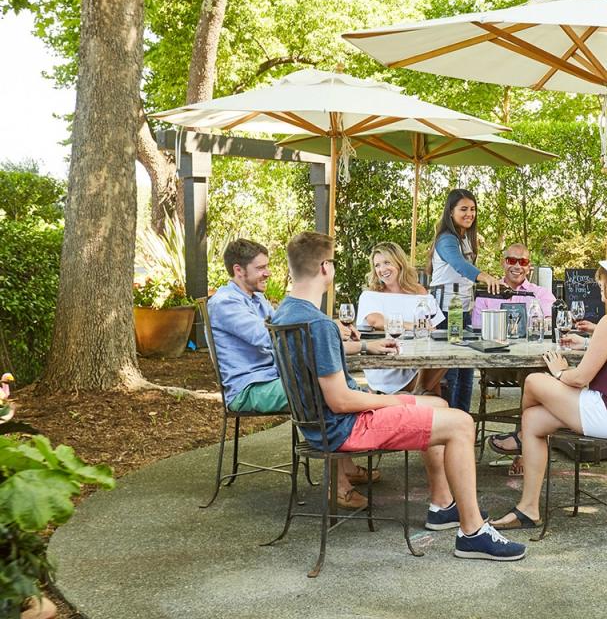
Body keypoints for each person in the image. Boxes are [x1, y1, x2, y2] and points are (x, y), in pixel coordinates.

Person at [272, 231, 525, 560]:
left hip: (319, 424)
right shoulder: (318, 324)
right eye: (331, 263)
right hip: (343, 426)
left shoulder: (288, 314)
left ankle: (441, 505)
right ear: (324, 268)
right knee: (461, 422)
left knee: (435, 402)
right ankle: (473, 531)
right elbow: (342, 401)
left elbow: (325, 362)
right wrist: (395, 400)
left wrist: (364, 345)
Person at [208, 238, 395, 509]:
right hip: (250, 387)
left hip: (273, 378)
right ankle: (338, 485)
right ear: (239, 270)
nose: (268, 272)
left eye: (267, 266)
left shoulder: (258, 300)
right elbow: (273, 337)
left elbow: (299, 339)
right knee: (322, 389)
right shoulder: (225, 303)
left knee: (333, 383)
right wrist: (327, 326)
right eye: (261, 268)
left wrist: (364, 345)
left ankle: (347, 465)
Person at [489, 247, 607, 531]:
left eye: (603, 283)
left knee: (534, 381)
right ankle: (528, 509)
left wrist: (559, 371)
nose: (600, 288)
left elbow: (578, 378)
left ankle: (517, 439)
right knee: (533, 420)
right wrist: (588, 344)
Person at [475, 242, 557, 475]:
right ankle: (529, 442)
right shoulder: (488, 291)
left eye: (523, 262)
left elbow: (549, 324)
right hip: (497, 364)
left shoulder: (540, 294)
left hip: (528, 365)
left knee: (534, 374)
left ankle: (525, 448)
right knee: (535, 376)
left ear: (529, 267)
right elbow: (477, 328)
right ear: (503, 263)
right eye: (512, 260)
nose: (517, 266)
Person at [428, 189, 503, 412]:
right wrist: (485, 276)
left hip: (463, 310)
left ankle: (464, 422)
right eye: (463, 209)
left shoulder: (464, 239)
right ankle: (449, 424)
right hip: (445, 312)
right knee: (450, 372)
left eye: (472, 209)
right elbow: (459, 265)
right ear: (450, 212)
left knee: (466, 370)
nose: (470, 214)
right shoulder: (446, 239)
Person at [357, 241, 446, 395]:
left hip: (416, 361)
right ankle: (419, 395)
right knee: (432, 391)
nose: (382, 269)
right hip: (385, 361)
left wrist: (423, 328)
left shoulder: (419, 291)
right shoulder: (370, 294)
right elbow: (375, 320)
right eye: (377, 265)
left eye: (386, 263)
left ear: (399, 263)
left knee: (445, 354)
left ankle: (419, 392)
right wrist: (413, 326)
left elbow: (433, 326)